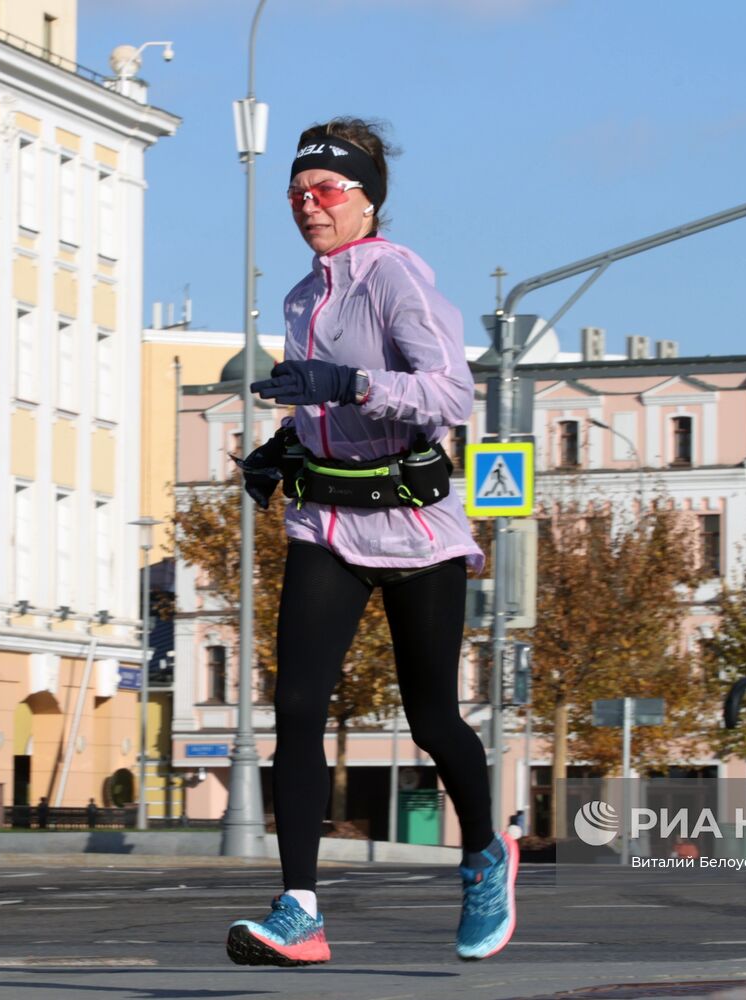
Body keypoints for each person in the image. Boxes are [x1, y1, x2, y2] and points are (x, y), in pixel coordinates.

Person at [225, 117, 516, 968]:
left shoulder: (397, 279)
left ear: (367, 201)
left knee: (432, 718)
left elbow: (450, 396)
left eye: (326, 192)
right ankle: (300, 911)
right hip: (328, 523)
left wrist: (349, 383)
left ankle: (484, 858)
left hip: (414, 524)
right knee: (297, 711)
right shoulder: (301, 296)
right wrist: (286, 444)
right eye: (297, 194)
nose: (309, 207)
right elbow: (318, 404)